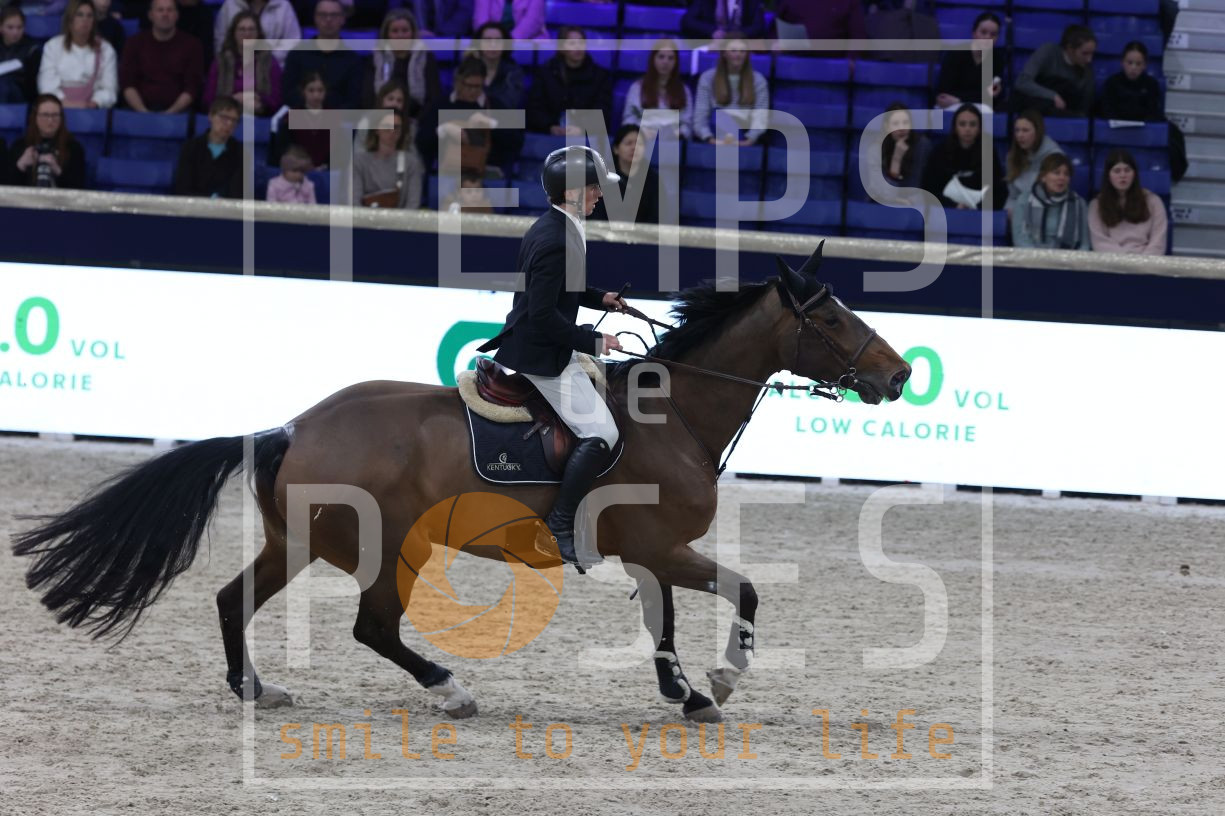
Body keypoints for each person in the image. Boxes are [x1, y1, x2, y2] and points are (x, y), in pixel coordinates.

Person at [475, 145, 628, 571]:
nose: (599, 195)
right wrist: (594, 341)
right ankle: (558, 527)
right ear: (574, 191)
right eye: (594, 188)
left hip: (543, 343)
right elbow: (542, 316)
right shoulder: (557, 239)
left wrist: (600, 297)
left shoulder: (558, 226)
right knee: (602, 431)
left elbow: (563, 288)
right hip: (540, 353)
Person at [417, 57, 518, 176]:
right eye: (469, 86)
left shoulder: (494, 105)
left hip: (485, 170)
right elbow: (422, 141)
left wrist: (492, 125)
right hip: (448, 169)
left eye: (478, 86)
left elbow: (516, 140)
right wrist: (444, 130)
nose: (473, 91)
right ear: (458, 82)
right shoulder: (441, 104)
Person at [119, 0, 204, 113]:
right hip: (138, 111)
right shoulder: (134, 43)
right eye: (160, 10)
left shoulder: (192, 45)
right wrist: (143, 113)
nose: (165, 14)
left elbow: (192, 87)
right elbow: (128, 84)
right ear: (150, 15)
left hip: (179, 113)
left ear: (177, 15)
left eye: (170, 10)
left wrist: (169, 113)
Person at [525, 27, 612, 136]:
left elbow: (603, 111)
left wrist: (581, 129)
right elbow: (534, 108)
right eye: (572, 43)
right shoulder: (545, 73)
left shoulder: (600, 76)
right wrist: (550, 127)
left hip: (586, 135)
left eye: (581, 43)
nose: (578, 47)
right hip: (550, 133)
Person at [921, 103, 1006, 210]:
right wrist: (953, 205)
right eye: (962, 124)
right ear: (955, 127)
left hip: (980, 211)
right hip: (946, 210)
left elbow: (997, 189)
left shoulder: (988, 151)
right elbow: (928, 189)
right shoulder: (940, 151)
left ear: (979, 128)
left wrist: (978, 207)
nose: (967, 129)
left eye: (973, 124)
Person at [282, 0, 365, 110]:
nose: (328, 19)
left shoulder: (353, 60)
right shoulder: (297, 55)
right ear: (315, 18)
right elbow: (288, 94)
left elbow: (354, 101)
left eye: (334, 15)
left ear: (343, 19)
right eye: (323, 15)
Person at [37, 0, 119, 109]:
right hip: (57, 109)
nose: (85, 20)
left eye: (89, 16)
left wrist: (93, 103)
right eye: (79, 15)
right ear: (70, 20)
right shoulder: (52, 46)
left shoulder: (106, 49)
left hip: (92, 111)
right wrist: (65, 104)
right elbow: (46, 86)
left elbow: (109, 89)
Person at [1088, 148, 1167, 254]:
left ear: (1134, 174)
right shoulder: (1096, 205)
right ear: (1108, 175)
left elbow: (1158, 243)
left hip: (1146, 261)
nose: (1123, 175)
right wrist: (1125, 260)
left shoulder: (1154, 201)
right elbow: (1099, 242)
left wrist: (1142, 261)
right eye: (1117, 171)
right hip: (1111, 261)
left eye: (1127, 170)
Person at [693, 35, 768, 146]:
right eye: (733, 50)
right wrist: (710, 139)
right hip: (714, 134)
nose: (738, 54)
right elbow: (700, 116)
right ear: (724, 53)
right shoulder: (707, 78)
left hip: (743, 136)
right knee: (719, 115)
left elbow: (760, 118)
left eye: (742, 51)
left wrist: (747, 141)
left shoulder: (758, 80)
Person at [203, 11, 283, 116]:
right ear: (234, 33)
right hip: (224, 116)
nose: (247, 34)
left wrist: (259, 101)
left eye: (251, 29)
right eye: (242, 29)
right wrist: (232, 100)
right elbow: (208, 100)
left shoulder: (269, 62)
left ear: (258, 33)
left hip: (259, 118)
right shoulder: (221, 62)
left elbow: (277, 100)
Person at [366, 8, 439, 119]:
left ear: (413, 33)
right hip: (381, 117)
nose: (400, 36)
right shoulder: (376, 57)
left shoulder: (426, 57)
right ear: (386, 35)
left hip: (418, 118)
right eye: (395, 31)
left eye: (405, 31)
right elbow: (368, 97)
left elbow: (433, 97)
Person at [3, 94, 86, 188]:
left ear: (61, 118)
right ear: (35, 117)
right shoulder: (20, 146)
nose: (50, 120)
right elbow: (5, 188)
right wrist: (21, 165)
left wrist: (57, 169)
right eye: (45, 115)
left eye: (55, 115)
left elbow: (78, 188)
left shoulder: (73, 148)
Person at [1013, 24, 1097, 117]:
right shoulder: (1048, 52)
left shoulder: (1087, 71)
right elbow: (1022, 82)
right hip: (1036, 108)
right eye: (1085, 53)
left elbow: (1084, 107)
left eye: (1092, 53)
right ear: (1069, 48)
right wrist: (1053, 96)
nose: (1089, 59)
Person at [1011, 152, 1090, 250]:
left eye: (1066, 174)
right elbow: (1020, 239)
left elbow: (1085, 244)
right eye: (1056, 173)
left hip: (1068, 258)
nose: (1062, 178)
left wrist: (1069, 259)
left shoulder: (1079, 204)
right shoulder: (1024, 200)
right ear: (1043, 177)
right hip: (1032, 257)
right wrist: (1039, 258)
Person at [622, 39, 693, 142]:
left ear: (676, 62)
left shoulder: (684, 91)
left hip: (672, 143)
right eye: (661, 57)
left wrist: (678, 133)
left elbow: (687, 125)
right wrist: (640, 130)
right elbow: (628, 119)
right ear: (653, 59)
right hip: (641, 141)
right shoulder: (637, 88)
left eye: (670, 58)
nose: (665, 62)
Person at [352, 107, 424, 208]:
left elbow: (413, 204)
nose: (392, 131)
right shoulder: (359, 162)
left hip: (401, 217)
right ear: (377, 129)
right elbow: (355, 202)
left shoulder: (411, 163)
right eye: (387, 126)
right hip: (365, 217)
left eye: (396, 127)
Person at [174, 95, 243, 197]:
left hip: (225, 206)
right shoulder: (191, 147)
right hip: (193, 204)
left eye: (234, 120)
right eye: (224, 118)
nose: (229, 124)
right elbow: (182, 187)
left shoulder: (241, 152)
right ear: (211, 116)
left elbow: (238, 192)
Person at [934, 12, 1004, 112]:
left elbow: (992, 97)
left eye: (993, 34)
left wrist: (960, 99)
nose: (987, 38)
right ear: (974, 33)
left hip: (979, 106)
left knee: (986, 111)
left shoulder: (997, 60)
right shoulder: (955, 54)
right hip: (950, 105)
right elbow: (944, 94)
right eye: (983, 32)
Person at [591, 123, 658, 224]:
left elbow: (657, 217)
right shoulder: (602, 178)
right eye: (628, 143)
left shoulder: (653, 180)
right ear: (616, 149)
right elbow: (595, 214)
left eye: (639, 144)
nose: (634, 147)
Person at [867, 103, 931, 201]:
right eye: (896, 124)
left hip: (913, 203)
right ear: (887, 126)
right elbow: (882, 193)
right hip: (882, 203)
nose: (902, 128)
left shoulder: (922, 145)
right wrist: (896, 159)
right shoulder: (876, 149)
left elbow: (918, 188)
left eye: (905, 123)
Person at [1004, 109, 1061, 214]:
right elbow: (1013, 196)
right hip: (1019, 211)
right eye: (1017, 130)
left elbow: (1053, 197)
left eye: (1025, 130)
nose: (1020, 135)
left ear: (1038, 132)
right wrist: (1009, 210)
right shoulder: (1012, 157)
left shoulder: (1054, 157)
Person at [213, 0, 302, 66]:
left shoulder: (283, 6)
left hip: (273, 68)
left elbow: (293, 43)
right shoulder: (230, 5)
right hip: (235, 69)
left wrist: (265, 59)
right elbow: (220, 42)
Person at [271, 71, 330, 167]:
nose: (316, 95)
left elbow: (339, 149)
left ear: (325, 91)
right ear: (303, 91)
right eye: (311, 90)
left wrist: (326, 166)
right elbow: (283, 148)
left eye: (320, 90)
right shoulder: (292, 116)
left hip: (327, 170)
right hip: (297, 169)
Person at [1097, 41, 1163, 122]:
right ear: (1122, 62)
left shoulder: (1152, 85)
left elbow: (1153, 113)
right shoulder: (1111, 83)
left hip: (1143, 128)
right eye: (1129, 63)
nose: (1133, 67)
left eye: (1138, 64)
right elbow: (1106, 111)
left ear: (1145, 65)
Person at [466, 22, 524, 112]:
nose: (493, 45)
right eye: (487, 40)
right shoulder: (467, 69)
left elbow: (509, 104)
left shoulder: (513, 72)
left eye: (498, 40)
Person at [0, 8, 42, 105]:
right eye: (10, 27)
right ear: (1, 27)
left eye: (19, 27)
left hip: (21, 95)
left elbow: (32, 85)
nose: (15, 32)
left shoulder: (32, 49)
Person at [680, 0, 768, 41]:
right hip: (712, 44)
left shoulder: (752, 1)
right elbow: (687, 21)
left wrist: (738, 35)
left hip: (741, 45)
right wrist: (712, 31)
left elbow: (759, 26)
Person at [472, 0, 546, 41]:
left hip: (527, 39)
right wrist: (491, 39)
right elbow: (481, 19)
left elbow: (533, 20)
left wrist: (510, 41)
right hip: (490, 39)